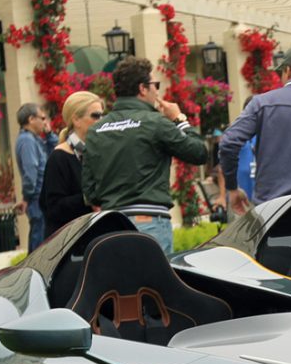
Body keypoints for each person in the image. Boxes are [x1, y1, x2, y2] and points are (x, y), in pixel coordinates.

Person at [81, 56, 207, 255]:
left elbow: (90, 192)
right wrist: (179, 118)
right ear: (142, 88)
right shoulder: (156, 122)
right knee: (152, 285)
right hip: (149, 222)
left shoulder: (96, 130)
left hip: (111, 225)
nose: (157, 90)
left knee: (120, 285)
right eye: (154, 85)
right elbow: (199, 152)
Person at [221, 45, 291, 213]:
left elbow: (229, 142)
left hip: (271, 209)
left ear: (287, 71)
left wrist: (232, 188)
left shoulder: (263, 103)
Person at [40, 90, 104, 235]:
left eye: (102, 115)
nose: (101, 120)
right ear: (76, 120)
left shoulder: (97, 154)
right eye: (95, 116)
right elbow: (53, 208)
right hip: (69, 242)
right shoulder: (59, 157)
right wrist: (88, 199)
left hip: (95, 236)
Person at [15, 102, 54, 248]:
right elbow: (31, 171)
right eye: (42, 118)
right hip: (37, 199)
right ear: (31, 119)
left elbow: (54, 152)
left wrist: (49, 134)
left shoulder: (35, 139)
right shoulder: (27, 140)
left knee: (42, 241)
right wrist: (27, 197)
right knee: (39, 244)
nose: (45, 122)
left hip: (40, 198)